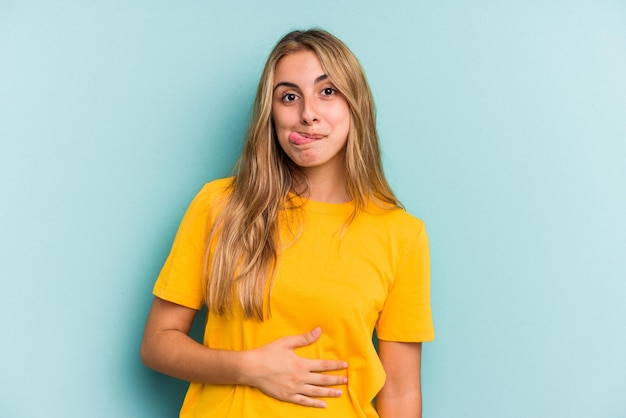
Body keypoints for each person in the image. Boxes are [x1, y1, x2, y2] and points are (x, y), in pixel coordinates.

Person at [141, 29, 434, 417]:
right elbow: (157, 344)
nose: (307, 113)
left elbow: (400, 392)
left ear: (354, 104)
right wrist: (248, 368)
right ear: (271, 112)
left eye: (327, 92)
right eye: (289, 96)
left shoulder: (401, 234)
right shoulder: (220, 205)